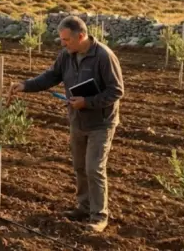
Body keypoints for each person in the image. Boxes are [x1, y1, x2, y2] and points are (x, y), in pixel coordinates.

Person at [10, 16, 124, 233]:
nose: (62, 44)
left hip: (101, 123)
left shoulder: (103, 56)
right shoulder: (66, 55)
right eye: (61, 40)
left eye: (66, 40)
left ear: (80, 36)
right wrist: (25, 85)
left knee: (94, 168)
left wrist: (87, 102)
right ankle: (84, 207)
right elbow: (51, 76)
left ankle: (99, 216)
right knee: (79, 166)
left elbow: (116, 91)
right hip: (77, 119)